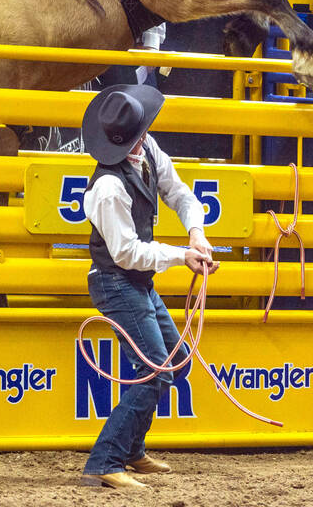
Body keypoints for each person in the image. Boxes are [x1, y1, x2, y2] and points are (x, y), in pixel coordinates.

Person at [77, 84, 217, 491]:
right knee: (155, 370)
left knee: (174, 363)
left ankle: (131, 450)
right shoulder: (108, 188)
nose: (144, 136)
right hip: (116, 282)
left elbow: (178, 192)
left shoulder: (147, 151)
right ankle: (105, 461)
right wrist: (181, 256)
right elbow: (125, 253)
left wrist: (195, 232)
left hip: (134, 283)